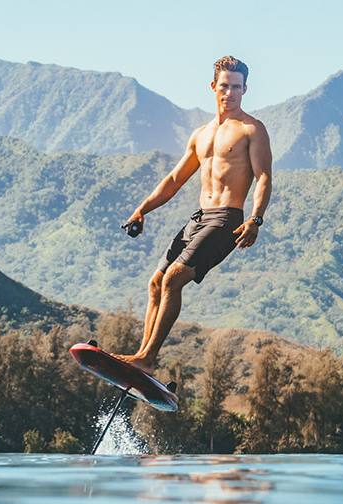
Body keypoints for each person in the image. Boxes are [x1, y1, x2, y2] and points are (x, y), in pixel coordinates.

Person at [116, 55, 272, 376]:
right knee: (156, 282)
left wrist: (255, 218)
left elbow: (265, 177)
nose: (230, 93)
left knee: (175, 278)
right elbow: (174, 180)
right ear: (214, 87)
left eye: (237, 87)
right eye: (225, 86)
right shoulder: (201, 134)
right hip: (200, 216)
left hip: (227, 219)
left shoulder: (252, 130)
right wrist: (142, 209)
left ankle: (146, 360)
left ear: (245, 90)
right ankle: (142, 358)